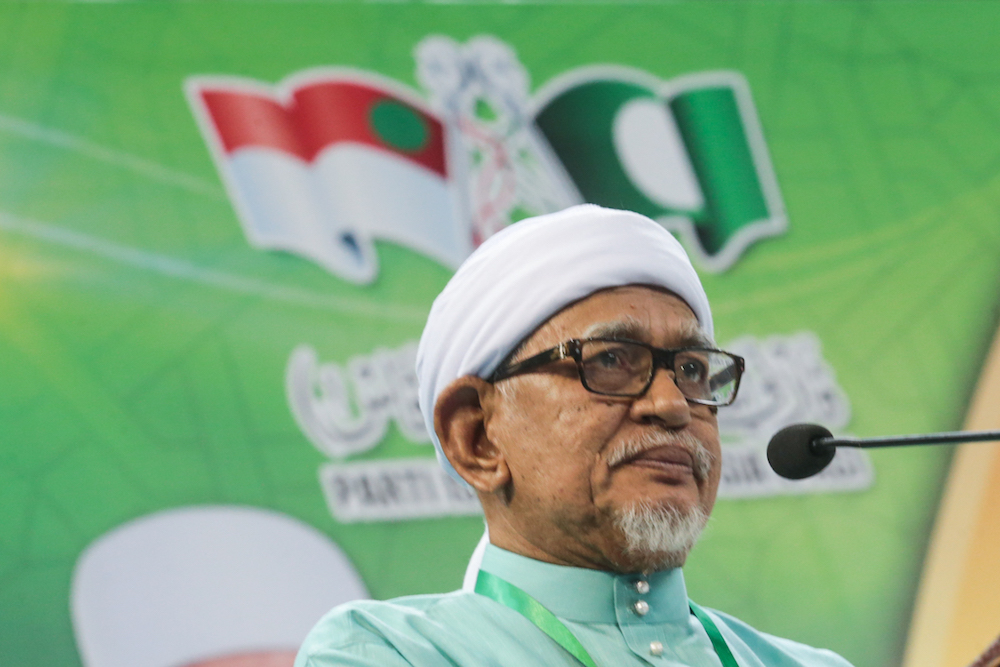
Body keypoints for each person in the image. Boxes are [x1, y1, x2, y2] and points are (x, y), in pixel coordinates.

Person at [295, 205, 853, 667]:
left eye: (691, 370)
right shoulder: (388, 652)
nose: (672, 405)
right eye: (611, 360)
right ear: (477, 437)